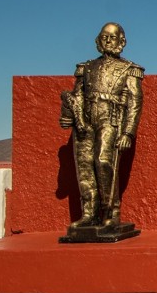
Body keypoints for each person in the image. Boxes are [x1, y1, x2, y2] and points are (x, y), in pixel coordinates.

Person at [59, 22, 144, 230]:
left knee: (104, 161)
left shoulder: (129, 69)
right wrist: (71, 116)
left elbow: (135, 102)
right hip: (85, 120)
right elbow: (77, 93)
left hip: (111, 119)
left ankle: (110, 212)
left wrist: (128, 132)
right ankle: (89, 213)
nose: (107, 40)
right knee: (85, 165)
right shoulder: (86, 67)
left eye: (112, 37)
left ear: (121, 41)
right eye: (104, 36)